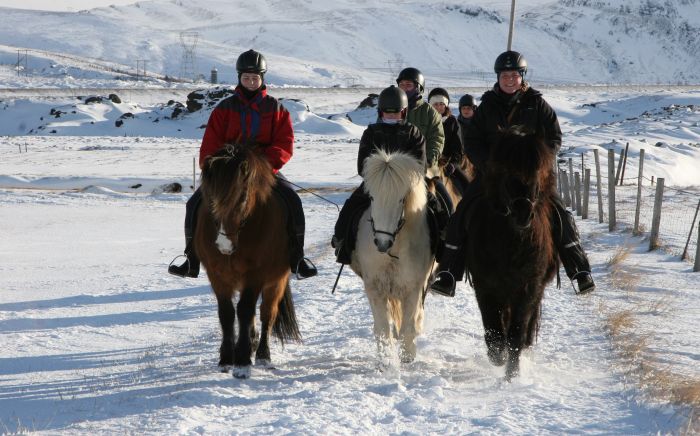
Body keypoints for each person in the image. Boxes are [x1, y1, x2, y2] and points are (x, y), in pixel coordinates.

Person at [429, 50, 595, 297]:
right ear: (498, 77)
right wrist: (488, 164)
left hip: (531, 177)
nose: (509, 79)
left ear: (522, 76)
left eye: (514, 75)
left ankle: (579, 269)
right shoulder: (486, 107)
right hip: (493, 176)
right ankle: (449, 272)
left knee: (559, 212)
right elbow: (472, 140)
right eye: (505, 75)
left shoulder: (537, 104)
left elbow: (554, 138)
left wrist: (538, 162)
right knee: (462, 213)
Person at [168, 49, 317, 280]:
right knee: (194, 204)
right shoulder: (224, 108)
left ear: (262, 78)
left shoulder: (276, 109)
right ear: (239, 78)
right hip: (228, 173)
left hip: (263, 171)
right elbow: (211, 143)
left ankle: (297, 259)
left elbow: (284, 143)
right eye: (246, 78)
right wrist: (215, 168)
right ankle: (191, 259)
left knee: (292, 200)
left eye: (254, 77)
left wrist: (262, 166)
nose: (250, 82)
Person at [331, 85, 426, 264]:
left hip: (406, 188)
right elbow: (362, 166)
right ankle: (343, 243)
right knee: (351, 206)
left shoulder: (414, 133)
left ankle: (444, 249)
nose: (391, 116)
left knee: (437, 206)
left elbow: (420, 167)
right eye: (387, 113)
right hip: (376, 185)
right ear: (380, 112)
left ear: (404, 112)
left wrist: (399, 179)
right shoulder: (371, 133)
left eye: (395, 112)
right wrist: (381, 178)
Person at [395, 68, 452, 214]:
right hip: (394, 169)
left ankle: (446, 232)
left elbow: (437, 138)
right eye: (401, 85)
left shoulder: (429, 112)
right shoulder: (390, 108)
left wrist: (429, 159)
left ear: (418, 88)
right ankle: (344, 235)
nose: (404, 89)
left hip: (424, 169)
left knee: (446, 204)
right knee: (358, 201)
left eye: (408, 85)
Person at [428, 87, 469, 195]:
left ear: (446, 105)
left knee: (466, 185)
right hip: (427, 163)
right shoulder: (426, 121)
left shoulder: (452, 122)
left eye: (441, 104)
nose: (438, 107)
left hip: (447, 163)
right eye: (435, 104)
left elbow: (458, 147)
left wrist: (453, 163)